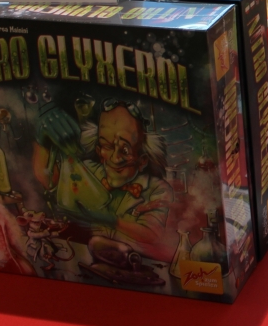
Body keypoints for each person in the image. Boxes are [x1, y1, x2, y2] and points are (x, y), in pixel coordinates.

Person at [33, 98, 172, 258]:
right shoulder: (88, 171)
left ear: (142, 161)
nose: (115, 158)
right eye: (107, 146)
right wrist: (42, 142)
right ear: (99, 152)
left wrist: (111, 220)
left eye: (125, 150)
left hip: (134, 263)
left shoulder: (157, 189)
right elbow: (48, 179)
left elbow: (152, 234)